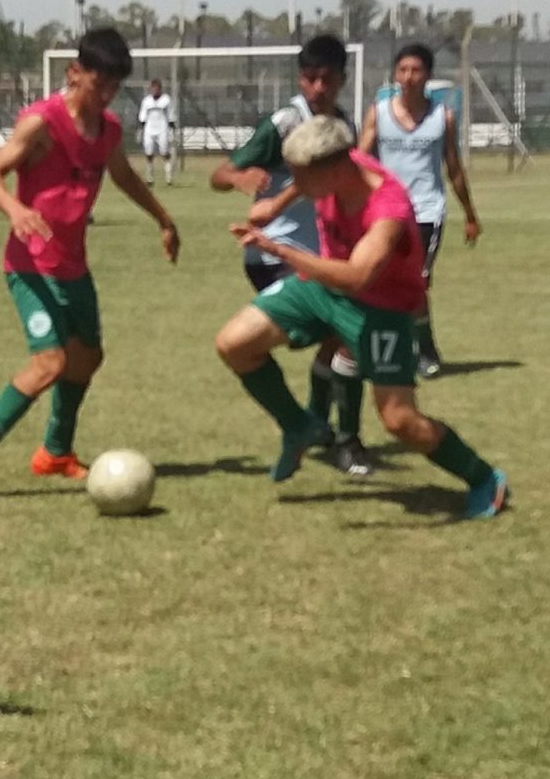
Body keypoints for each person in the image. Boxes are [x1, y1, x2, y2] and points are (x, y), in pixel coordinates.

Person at [215, 114, 508, 519]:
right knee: (234, 343)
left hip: (381, 309)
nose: (294, 183)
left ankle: (484, 477)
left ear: (335, 170)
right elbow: (307, 179)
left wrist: (280, 250)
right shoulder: (340, 161)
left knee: (400, 421)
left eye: (300, 177)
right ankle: (299, 426)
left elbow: (357, 276)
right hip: (324, 289)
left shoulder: (388, 209)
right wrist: (275, 205)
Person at [0, 27, 180, 503]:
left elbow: (124, 175)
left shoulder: (108, 130)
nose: (106, 96)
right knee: (50, 362)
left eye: (114, 87)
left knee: (87, 357)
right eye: (99, 84)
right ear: (74, 73)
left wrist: (164, 219)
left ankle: (55, 452)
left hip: (73, 266)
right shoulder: (41, 123)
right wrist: (16, 210)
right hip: (29, 265)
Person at [210, 34, 372, 478]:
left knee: (341, 338)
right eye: (310, 78)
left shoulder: (344, 126)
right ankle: (332, 434)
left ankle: (313, 427)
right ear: (300, 79)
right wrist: (240, 179)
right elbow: (219, 173)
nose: (318, 87)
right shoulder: (284, 123)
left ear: (342, 79)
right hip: (273, 256)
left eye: (327, 79)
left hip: (322, 257)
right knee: (346, 331)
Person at [358, 42, 481, 377]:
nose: (409, 77)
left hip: (427, 212)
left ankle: (426, 352)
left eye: (416, 70)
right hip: (386, 212)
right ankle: (387, 349)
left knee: (416, 283)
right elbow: (360, 161)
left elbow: (454, 169)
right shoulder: (378, 114)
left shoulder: (443, 117)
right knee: (379, 279)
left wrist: (470, 215)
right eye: (403, 70)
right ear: (395, 74)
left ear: (428, 75)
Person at [138, 78, 176, 186]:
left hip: (162, 128)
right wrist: (140, 130)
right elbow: (142, 116)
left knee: (164, 152)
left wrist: (172, 129)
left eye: (157, 88)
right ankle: (150, 178)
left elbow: (171, 114)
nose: (155, 90)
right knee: (149, 152)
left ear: (160, 89)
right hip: (149, 129)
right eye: (153, 88)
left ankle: (169, 178)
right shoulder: (146, 101)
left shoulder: (166, 100)